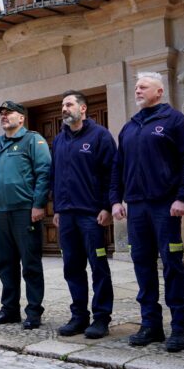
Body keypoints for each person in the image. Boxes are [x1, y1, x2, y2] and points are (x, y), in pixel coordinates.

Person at [110, 72, 184, 352]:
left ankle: (179, 328)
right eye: (136, 87)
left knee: (172, 265)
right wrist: (115, 200)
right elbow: (118, 167)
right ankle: (151, 325)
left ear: (159, 92)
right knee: (142, 265)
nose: (137, 90)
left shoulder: (175, 122)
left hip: (166, 207)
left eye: (143, 87)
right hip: (136, 208)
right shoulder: (130, 127)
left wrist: (183, 197)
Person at [52, 91, 117, 339]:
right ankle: (79, 316)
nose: (64, 108)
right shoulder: (59, 140)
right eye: (62, 105)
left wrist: (107, 206)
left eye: (69, 104)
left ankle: (101, 318)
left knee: (98, 266)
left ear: (83, 108)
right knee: (72, 267)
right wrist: (57, 208)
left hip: (92, 215)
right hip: (66, 215)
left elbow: (112, 172)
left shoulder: (100, 136)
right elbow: (55, 176)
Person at [0, 101, 51, 330]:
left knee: (30, 264)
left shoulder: (33, 140)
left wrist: (39, 204)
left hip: (25, 211)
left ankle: (33, 312)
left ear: (21, 118)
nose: (3, 116)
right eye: (1, 113)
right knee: (6, 264)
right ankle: (9, 309)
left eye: (8, 113)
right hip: (1, 212)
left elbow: (44, 173)